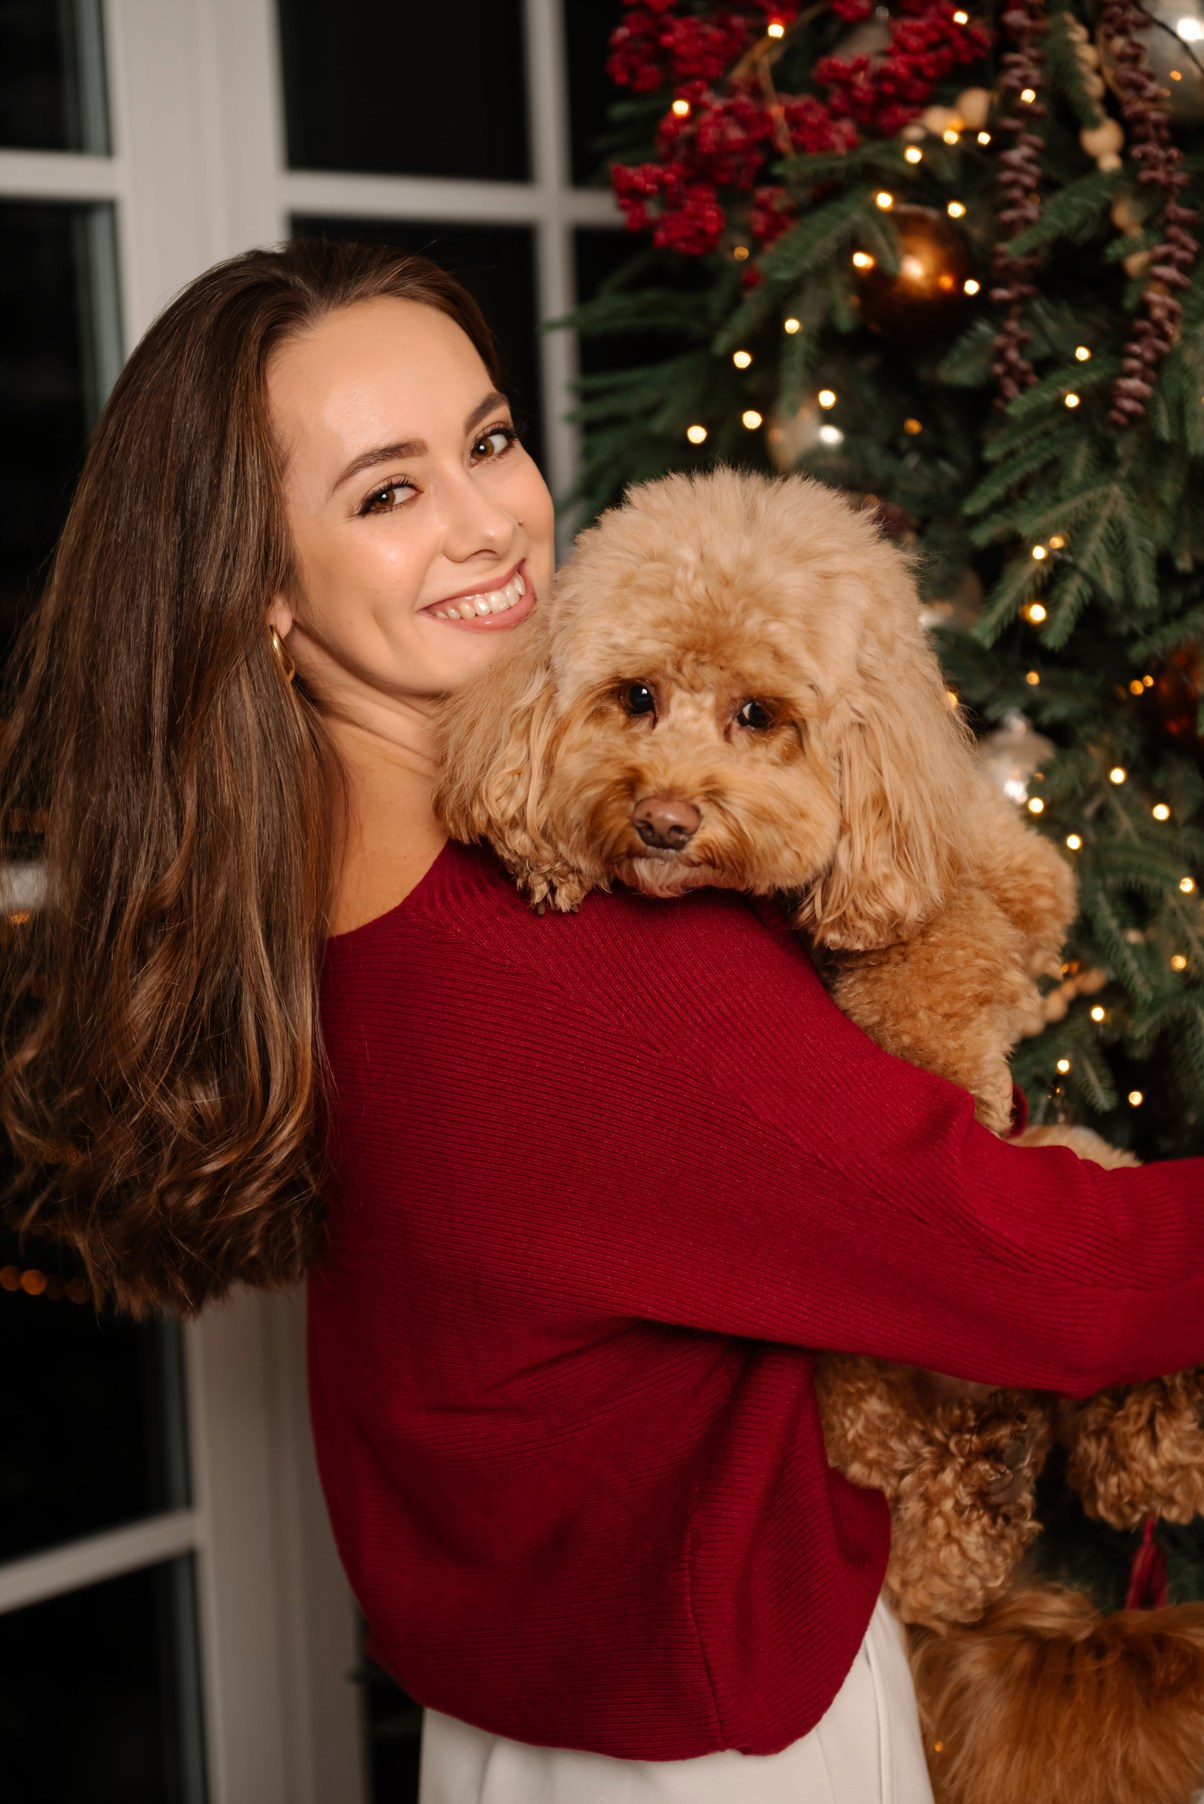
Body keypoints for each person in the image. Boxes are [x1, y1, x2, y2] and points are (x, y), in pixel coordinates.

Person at [4, 238, 1204, 1804]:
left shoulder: (301, 873)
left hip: (511, 1726)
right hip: (719, 1751)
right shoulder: (572, 969)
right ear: (259, 589)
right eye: (387, 493)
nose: (492, 518)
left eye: (487, 441)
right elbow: (1058, 1278)